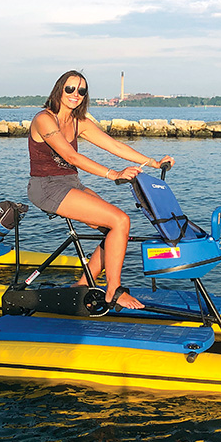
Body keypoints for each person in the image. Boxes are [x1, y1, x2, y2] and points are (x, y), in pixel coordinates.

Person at [27, 70, 174, 309]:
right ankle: (113, 291)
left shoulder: (79, 122)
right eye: (70, 89)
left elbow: (113, 145)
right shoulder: (44, 119)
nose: (76, 94)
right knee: (120, 220)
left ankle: (84, 284)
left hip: (70, 184)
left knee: (114, 227)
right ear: (59, 90)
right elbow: (71, 156)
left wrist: (152, 162)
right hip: (46, 187)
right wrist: (113, 174)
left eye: (82, 90)